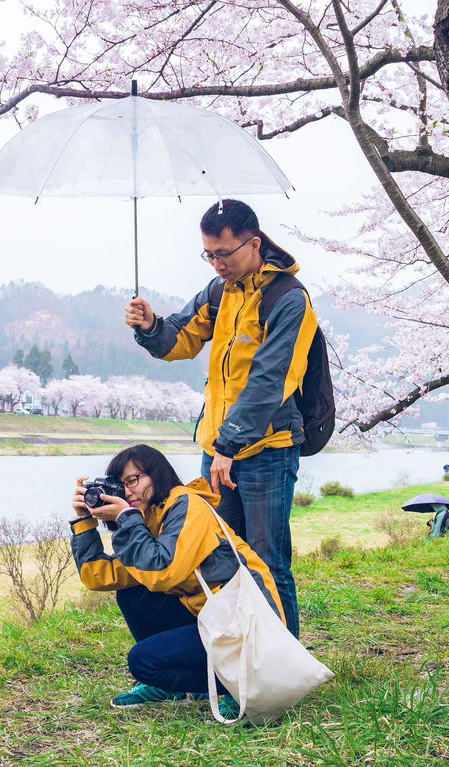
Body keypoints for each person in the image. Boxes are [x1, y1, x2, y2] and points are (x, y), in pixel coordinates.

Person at [125, 199, 318, 639]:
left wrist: (227, 448)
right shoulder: (219, 292)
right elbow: (180, 339)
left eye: (224, 254)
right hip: (218, 452)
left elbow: (270, 382)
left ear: (253, 244)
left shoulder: (288, 299)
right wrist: (150, 325)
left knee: (268, 562)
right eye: (209, 254)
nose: (217, 264)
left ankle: (283, 664)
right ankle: (235, 654)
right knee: (220, 558)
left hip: (266, 451)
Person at [70, 444, 285, 716]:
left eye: (133, 480)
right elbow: (99, 575)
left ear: (158, 475)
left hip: (245, 624)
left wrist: (126, 518)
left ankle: (239, 684)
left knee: (144, 662)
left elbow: (163, 571)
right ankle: (174, 688)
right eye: (119, 485)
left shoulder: (187, 505)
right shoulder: (149, 519)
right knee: (132, 593)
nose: (126, 491)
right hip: (213, 619)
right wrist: (84, 522)